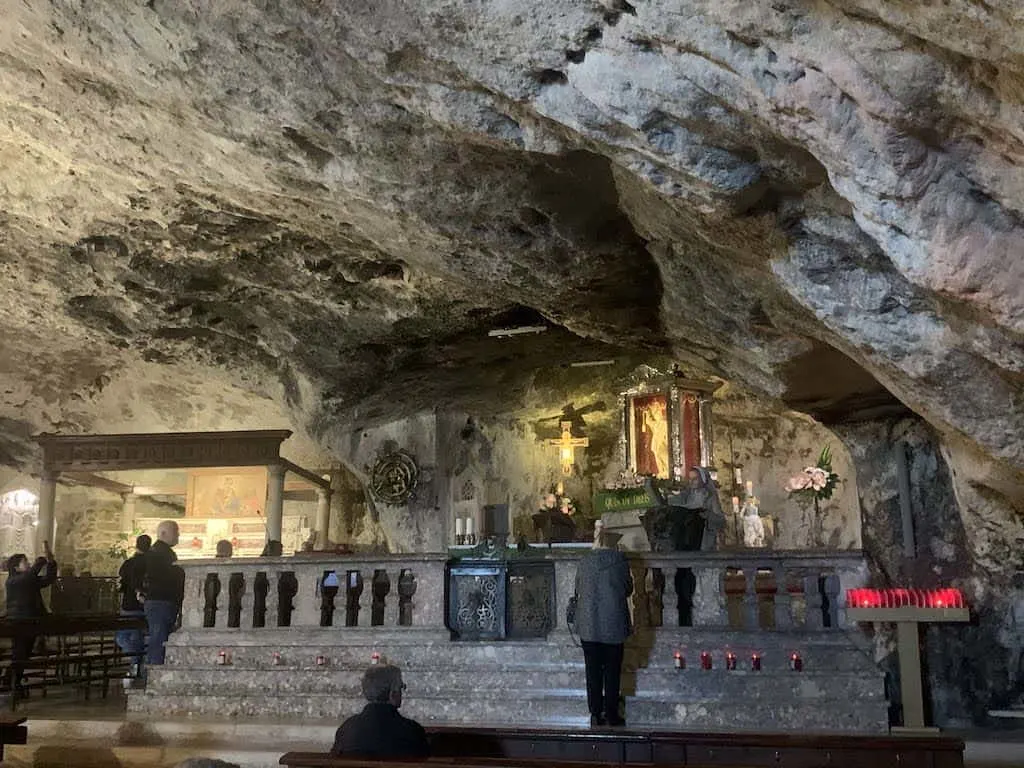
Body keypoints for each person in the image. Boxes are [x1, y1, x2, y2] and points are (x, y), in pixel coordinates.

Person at [574, 529, 632, 727]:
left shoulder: (584, 561)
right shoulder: (620, 562)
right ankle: (612, 713)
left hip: (589, 624)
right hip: (613, 624)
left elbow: (577, 588)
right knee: (612, 671)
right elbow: (628, 589)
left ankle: (595, 713)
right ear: (615, 544)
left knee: (592, 671)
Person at [331, 665, 429, 758]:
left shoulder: (346, 729)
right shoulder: (412, 731)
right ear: (393, 694)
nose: (401, 693)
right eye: (401, 687)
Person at [5, 540, 57, 697]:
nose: (27, 563)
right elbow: (28, 577)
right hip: (19, 621)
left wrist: (51, 562)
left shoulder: (28, 579)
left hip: (31, 620)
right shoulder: (13, 581)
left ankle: (13, 681)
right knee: (19, 652)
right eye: (24, 562)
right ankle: (12, 681)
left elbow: (48, 580)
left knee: (25, 653)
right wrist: (40, 562)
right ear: (16, 567)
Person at [141, 521, 185, 666]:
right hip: (160, 601)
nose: (178, 535)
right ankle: (155, 672)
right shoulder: (159, 553)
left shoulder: (160, 551)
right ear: (164, 533)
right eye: (176, 531)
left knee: (160, 638)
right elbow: (163, 576)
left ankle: (157, 669)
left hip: (162, 600)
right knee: (158, 639)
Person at [116, 534, 151, 674]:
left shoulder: (128, 563)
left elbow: (121, 584)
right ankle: (139, 662)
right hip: (146, 604)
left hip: (129, 605)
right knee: (143, 635)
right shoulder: (152, 563)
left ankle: (135, 661)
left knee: (126, 635)